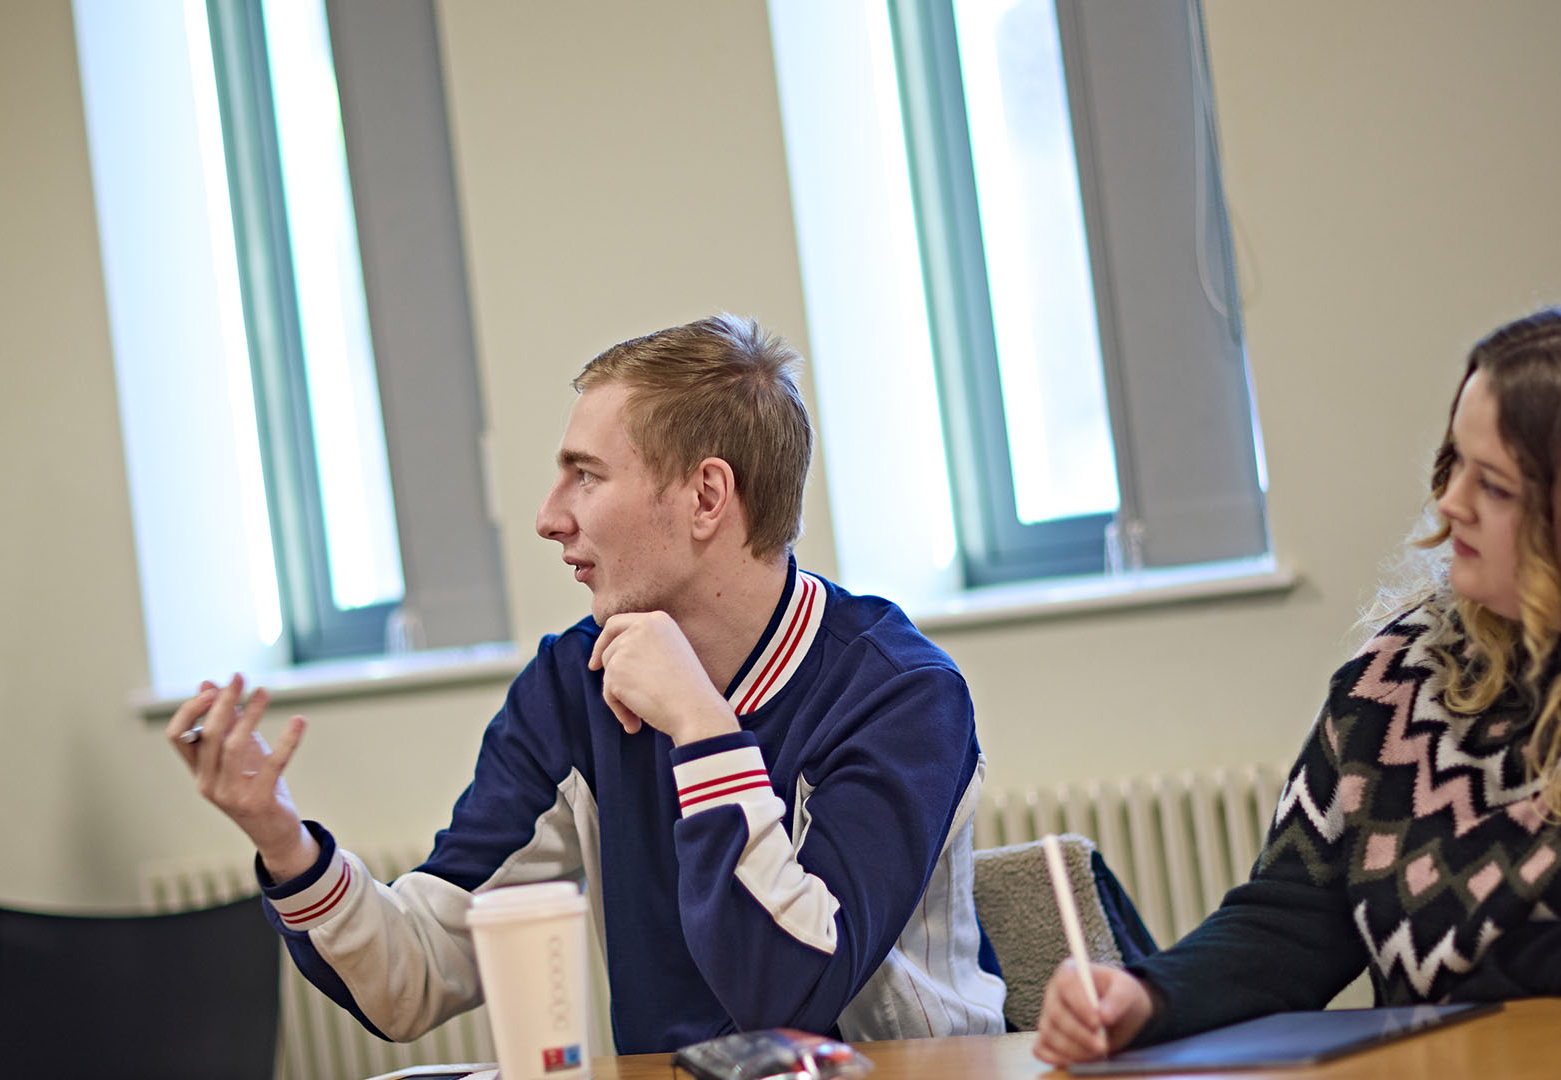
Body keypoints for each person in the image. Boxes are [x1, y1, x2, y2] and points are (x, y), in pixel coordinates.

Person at [168, 315, 1006, 1054]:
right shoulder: (573, 685)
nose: (548, 516)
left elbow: (787, 992)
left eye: (586, 475)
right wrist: (282, 839)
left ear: (707, 496)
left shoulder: (900, 695)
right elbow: (417, 977)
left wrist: (701, 727)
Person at [1036, 302, 1561, 1065]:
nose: (1450, 503)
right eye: (1456, 463)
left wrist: (1492, 968)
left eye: (1496, 486)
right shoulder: (1398, 678)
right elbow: (1289, 923)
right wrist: (1148, 995)